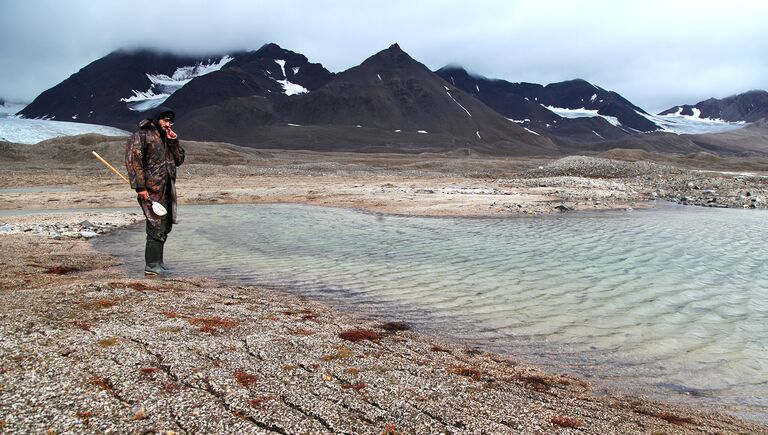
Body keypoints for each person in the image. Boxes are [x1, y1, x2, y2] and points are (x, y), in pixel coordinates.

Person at [125, 106, 185, 276]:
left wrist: (173, 141)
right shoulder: (142, 135)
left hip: (167, 187)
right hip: (151, 189)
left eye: (170, 121)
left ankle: (158, 262)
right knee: (155, 223)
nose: (168, 124)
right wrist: (140, 187)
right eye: (165, 120)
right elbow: (133, 161)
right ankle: (151, 265)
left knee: (164, 224)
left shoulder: (167, 137)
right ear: (157, 118)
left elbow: (179, 160)